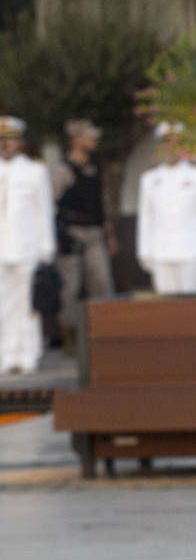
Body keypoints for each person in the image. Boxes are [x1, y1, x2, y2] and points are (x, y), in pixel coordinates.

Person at [51, 118, 116, 345]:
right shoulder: (62, 170)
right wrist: (57, 236)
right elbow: (51, 204)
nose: (94, 141)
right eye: (90, 136)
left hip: (95, 233)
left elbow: (103, 204)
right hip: (71, 233)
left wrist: (110, 234)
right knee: (70, 286)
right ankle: (70, 334)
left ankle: (106, 330)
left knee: (102, 282)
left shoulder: (96, 169)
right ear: (77, 139)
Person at [135, 123, 196, 295]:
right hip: (160, 252)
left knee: (194, 309)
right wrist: (145, 253)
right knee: (166, 312)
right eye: (166, 143)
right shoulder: (149, 179)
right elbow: (146, 218)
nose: (170, 148)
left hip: (192, 252)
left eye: (175, 143)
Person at [0, 116, 56, 374]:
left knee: (28, 304)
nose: (4, 144)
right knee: (3, 304)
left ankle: (28, 353)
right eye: (1, 140)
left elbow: (44, 211)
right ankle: (6, 354)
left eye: (9, 140)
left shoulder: (35, 171)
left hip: (26, 247)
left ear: (20, 143)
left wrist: (47, 248)